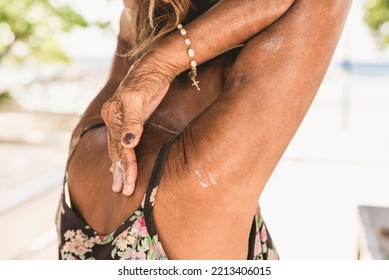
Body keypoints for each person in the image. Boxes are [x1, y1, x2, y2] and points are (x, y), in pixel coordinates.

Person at [56, 0, 352, 260]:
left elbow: (131, 18)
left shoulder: (93, 132)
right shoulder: (203, 180)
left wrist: (155, 61)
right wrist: (165, 61)